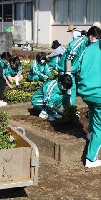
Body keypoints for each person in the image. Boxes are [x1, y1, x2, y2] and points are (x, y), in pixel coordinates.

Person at [77, 26, 101, 168]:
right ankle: (91, 159)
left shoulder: (87, 48)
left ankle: (90, 134)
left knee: (93, 111)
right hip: (99, 93)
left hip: (85, 92)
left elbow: (77, 68)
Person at [57, 27, 91, 106]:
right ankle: (69, 111)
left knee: (69, 90)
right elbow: (69, 58)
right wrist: (68, 73)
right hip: (66, 69)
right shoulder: (78, 43)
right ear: (91, 36)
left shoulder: (87, 44)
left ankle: (68, 110)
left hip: (72, 69)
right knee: (69, 89)